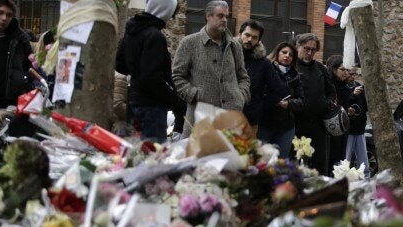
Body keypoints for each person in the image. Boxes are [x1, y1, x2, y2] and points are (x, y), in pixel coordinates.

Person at [172, 0, 250, 137]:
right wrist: (194, 94)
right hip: (200, 116)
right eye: (220, 16)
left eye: (226, 16)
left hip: (231, 116)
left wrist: (241, 96)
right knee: (197, 156)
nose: (225, 20)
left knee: (230, 156)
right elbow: (177, 76)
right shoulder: (189, 43)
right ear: (208, 16)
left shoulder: (234, 45)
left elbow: (243, 76)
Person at [115, 0, 178, 143]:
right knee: (152, 154)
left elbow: (120, 65)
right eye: (171, 14)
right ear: (164, 11)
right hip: (152, 106)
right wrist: (173, 98)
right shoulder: (155, 36)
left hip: (134, 101)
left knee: (135, 151)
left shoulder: (132, 31)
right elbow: (151, 77)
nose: (171, 18)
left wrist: (135, 68)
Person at [294, 33, 336, 175]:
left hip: (318, 126)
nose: (310, 53)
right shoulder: (292, 66)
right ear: (298, 46)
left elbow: (331, 91)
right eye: (307, 48)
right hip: (296, 124)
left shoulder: (321, 69)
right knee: (293, 164)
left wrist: (328, 103)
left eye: (313, 50)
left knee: (318, 166)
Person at [237, 19, 286, 134]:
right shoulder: (227, 55)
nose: (249, 40)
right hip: (223, 117)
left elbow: (279, 90)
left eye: (254, 37)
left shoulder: (263, 63)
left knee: (245, 152)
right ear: (240, 34)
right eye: (247, 35)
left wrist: (259, 107)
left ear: (259, 40)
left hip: (249, 122)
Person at [258, 42, 304, 158]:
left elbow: (301, 101)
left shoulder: (296, 76)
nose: (287, 56)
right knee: (262, 160)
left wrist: (288, 103)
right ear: (277, 53)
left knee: (280, 162)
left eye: (291, 55)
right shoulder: (266, 69)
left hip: (286, 126)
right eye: (284, 52)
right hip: (265, 123)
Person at [325, 55, 349, 174]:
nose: (346, 72)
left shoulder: (345, 86)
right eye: (343, 69)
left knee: (338, 161)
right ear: (334, 70)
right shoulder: (328, 86)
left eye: (347, 70)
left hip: (342, 131)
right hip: (329, 131)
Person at [345, 65, 370, 178]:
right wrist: (353, 95)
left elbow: (366, 107)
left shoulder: (359, 86)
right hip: (348, 130)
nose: (353, 76)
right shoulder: (343, 87)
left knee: (364, 163)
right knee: (345, 161)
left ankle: (366, 184)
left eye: (355, 74)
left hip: (360, 129)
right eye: (350, 74)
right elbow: (343, 104)